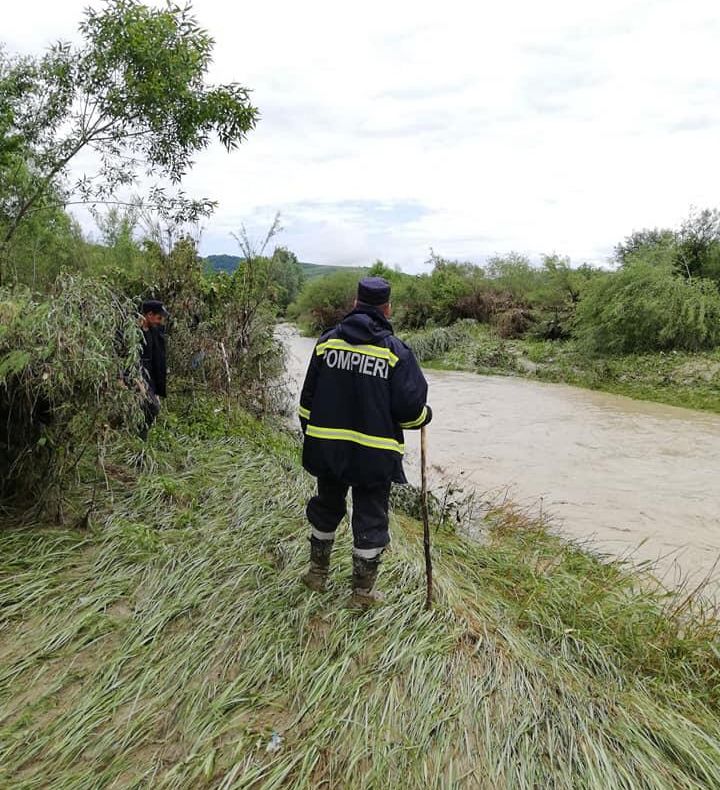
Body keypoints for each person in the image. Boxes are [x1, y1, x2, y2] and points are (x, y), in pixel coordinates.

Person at [298, 276, 432, 606]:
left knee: (326, 507)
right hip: (374, 455)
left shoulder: (327, 343)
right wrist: (425, 416)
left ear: (356, 304)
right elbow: (410, 412)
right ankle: (361, 593)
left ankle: (317, 575)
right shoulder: (396, 353)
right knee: (370, 518)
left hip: (328, 449)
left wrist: (316, 439)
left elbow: (306, 402)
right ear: (387, 309)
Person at [139, 300, 168, 438]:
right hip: (134, 377)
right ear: (149, 315)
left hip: (148, 379)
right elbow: (123, 357)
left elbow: (154, 361)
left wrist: (154, 388)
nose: (160, 321)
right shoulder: (133, 332)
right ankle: (138, 439)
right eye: (158, 317)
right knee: (151, 407)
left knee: (153, 407)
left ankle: (140, 441)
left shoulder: (153, 332)